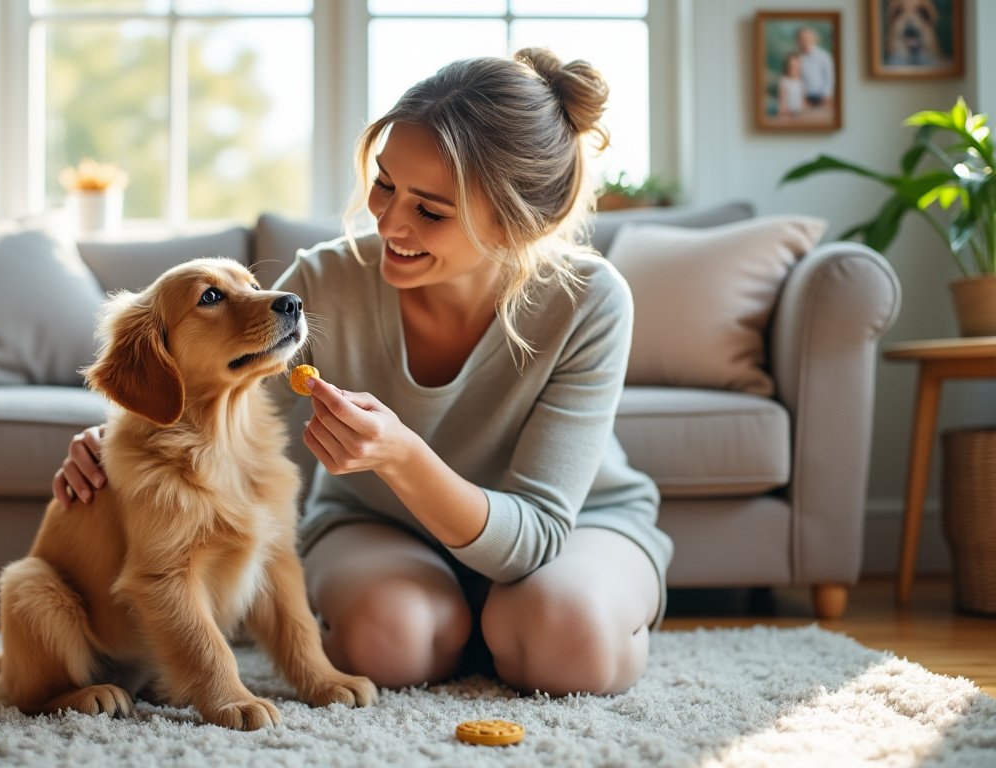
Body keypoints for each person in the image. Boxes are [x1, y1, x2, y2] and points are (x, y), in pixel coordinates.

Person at [54, 48, 673, 698]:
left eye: (430, 211)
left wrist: (402, 455)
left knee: (567, 643)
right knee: (389, 643)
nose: (389, 222)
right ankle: (476, 629)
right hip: (379, 525)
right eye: (385, 184)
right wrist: (112, 445)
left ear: (520, 226)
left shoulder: (590, 298)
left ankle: (533, 620)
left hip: (569, 529)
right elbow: (201, 392)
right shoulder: (328, 279)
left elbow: (535, 535)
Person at [795, 26, 834, 108]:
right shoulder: (798, 57)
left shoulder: (824, 55)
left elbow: (830, 77)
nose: (805, 40)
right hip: (805, 98)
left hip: (822, 97)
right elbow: (797, 78)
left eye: (807, 37)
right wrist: (801, 97)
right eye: (802, 38)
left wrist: (826, 95)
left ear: (813, 38)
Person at [777, 52, 806, 118]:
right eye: (791, 66)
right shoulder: (784, 81)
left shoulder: (801, 82)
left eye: (796, 67)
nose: (793, 69)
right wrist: (784, 112)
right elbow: (782, 102)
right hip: (787, 113)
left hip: (799, 114)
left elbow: (803, 101)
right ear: (786, 67)